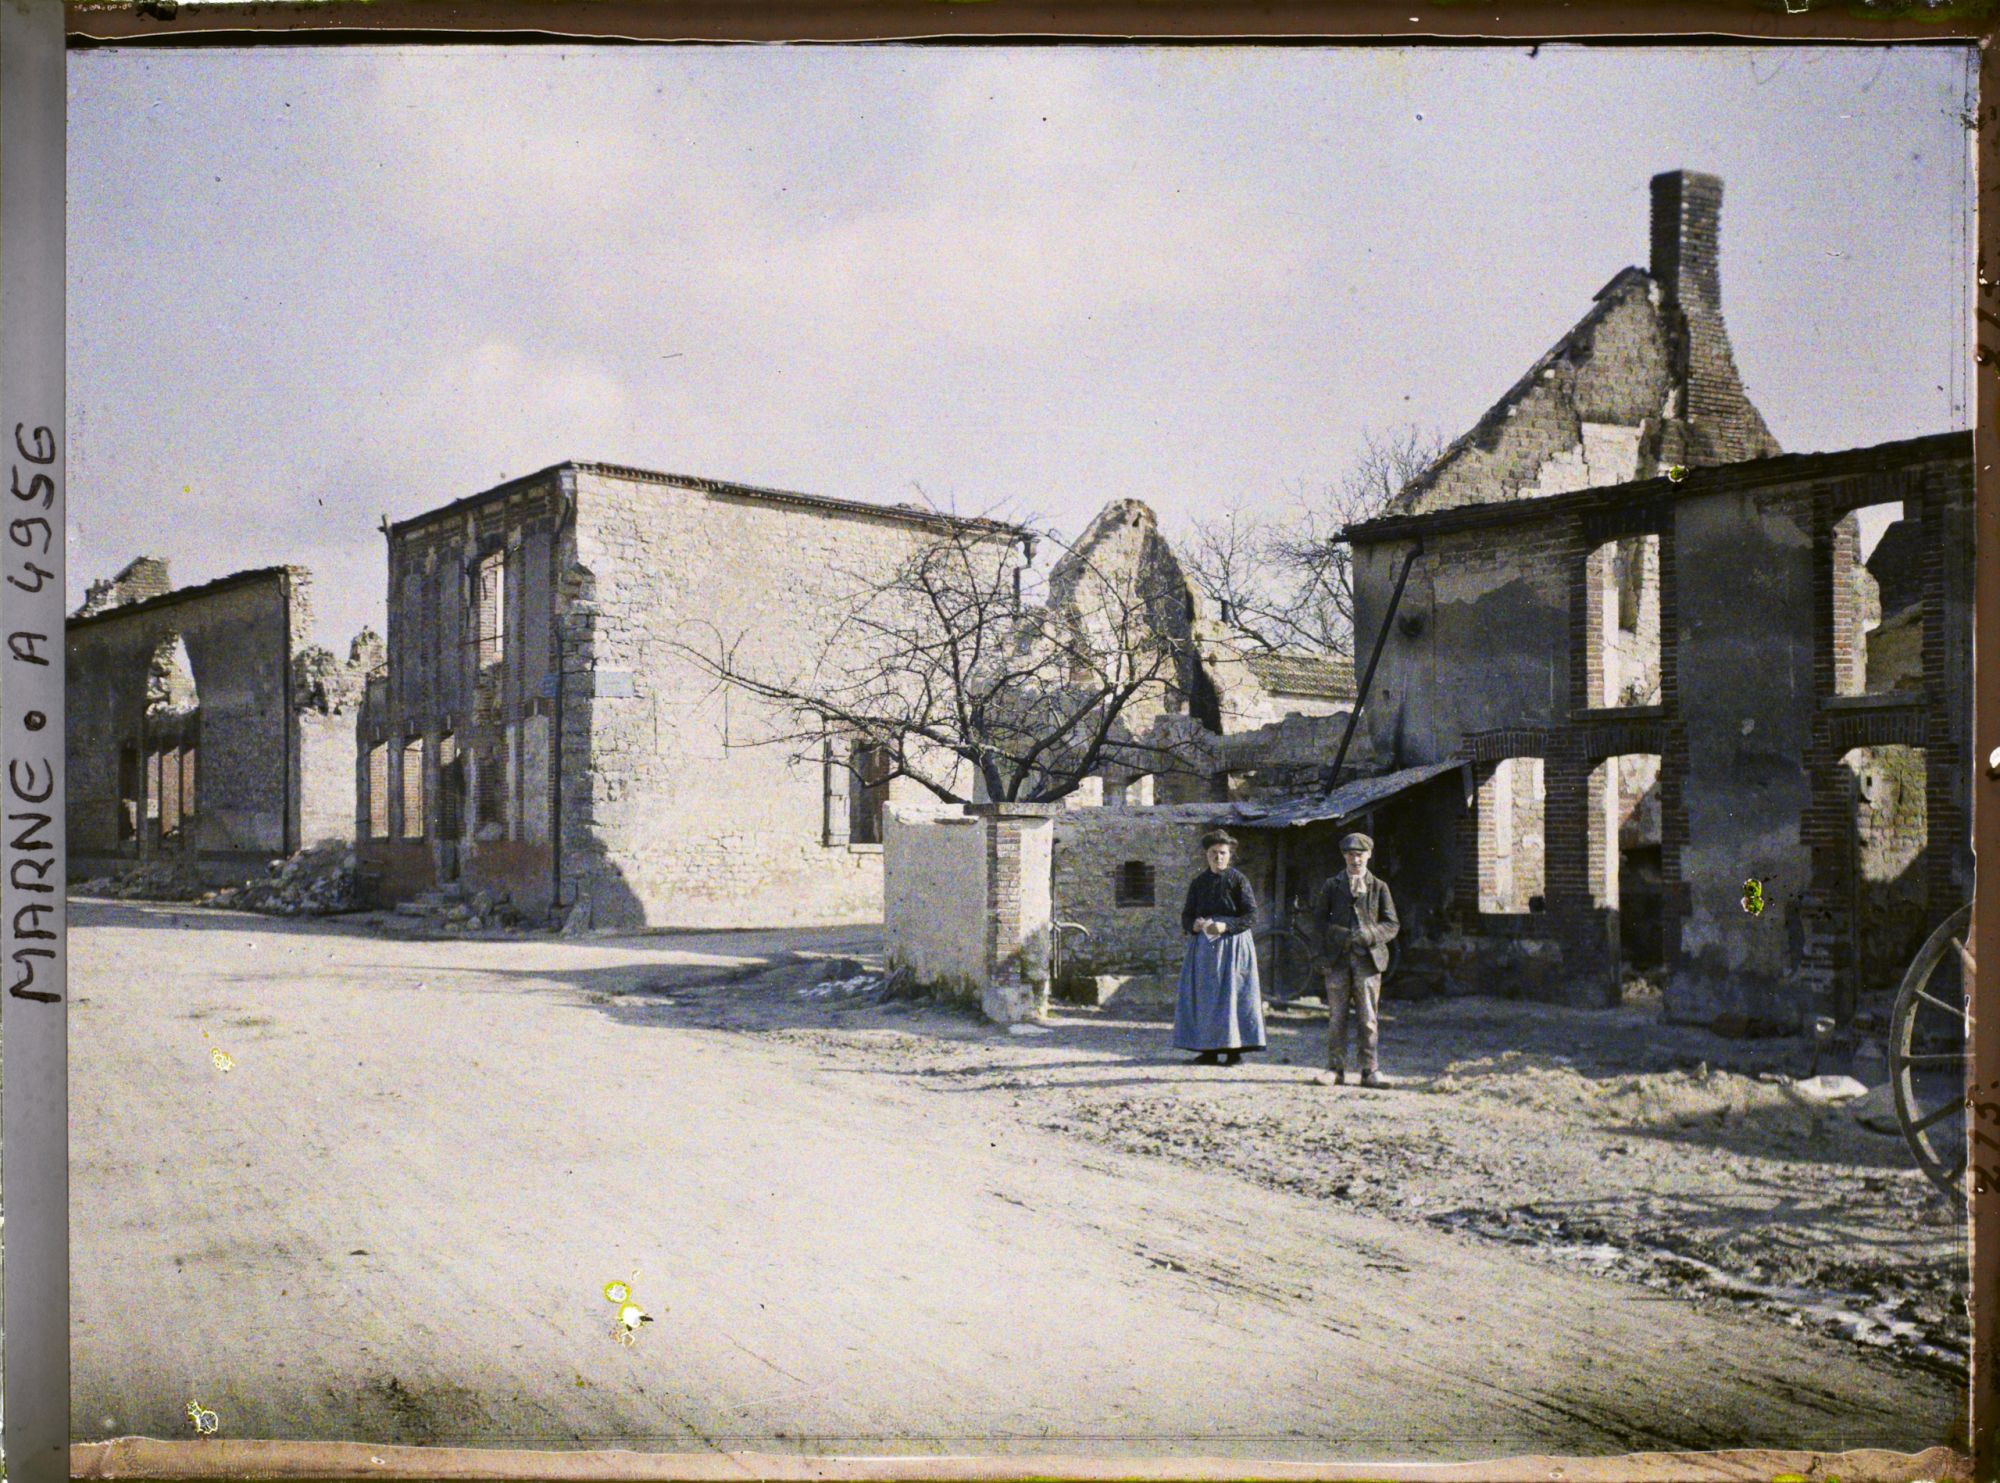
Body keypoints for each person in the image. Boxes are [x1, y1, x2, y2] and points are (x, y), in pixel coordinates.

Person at [1312, 832, 1399, 1087]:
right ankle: (1334, 1069)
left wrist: (1370, 934)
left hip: (1368, 962)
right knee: (1337, 1016)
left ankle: (1370, 1071)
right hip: (1337, 960)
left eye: (1360, 854)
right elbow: (1318, 922)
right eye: (1350, 854)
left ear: (1369, 856)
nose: (1355, 859)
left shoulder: (1379, 887)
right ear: (1344, 856)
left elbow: (1392, 924)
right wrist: (1334, 938)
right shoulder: (1332, 885)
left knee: (1368, 1018)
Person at [1173, 829, 1267, 1067]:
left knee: (1233, 995)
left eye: (1223, 853)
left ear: (1230, 855)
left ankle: (1234, 1052)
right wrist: (1192, 925)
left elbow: (1251, 915)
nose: (1218, 858)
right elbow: (1187, 914)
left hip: (1234, 945)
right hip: (1205, 948)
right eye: (1213, 853)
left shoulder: (1238, 880)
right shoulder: (1199, 883)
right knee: (1206, 997)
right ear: (1206, 855)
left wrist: (1227, 926)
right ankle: (1208, 1051)